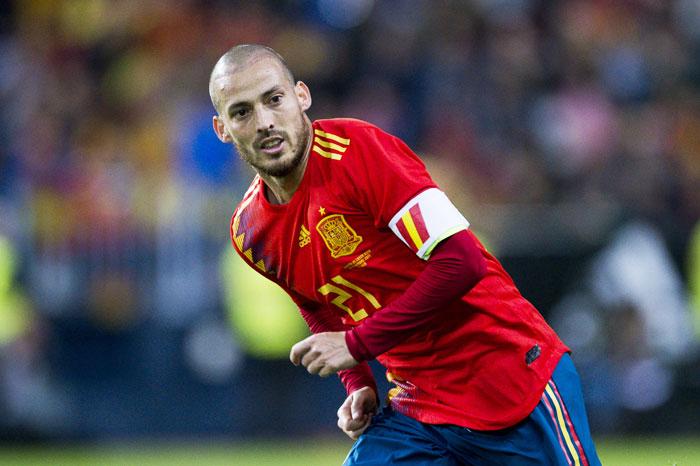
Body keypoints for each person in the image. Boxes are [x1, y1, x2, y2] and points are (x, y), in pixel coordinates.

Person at [209, 44, 601, 466]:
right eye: (242, 112)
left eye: (274, 99)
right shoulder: (250, 231)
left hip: (507, 378)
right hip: (418, 406)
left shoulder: (360, 152)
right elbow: (317, 302)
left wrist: (358, 344)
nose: (265, 121)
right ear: (223, 129)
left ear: (301, 96)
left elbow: (461, 261)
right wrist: (358, 383)